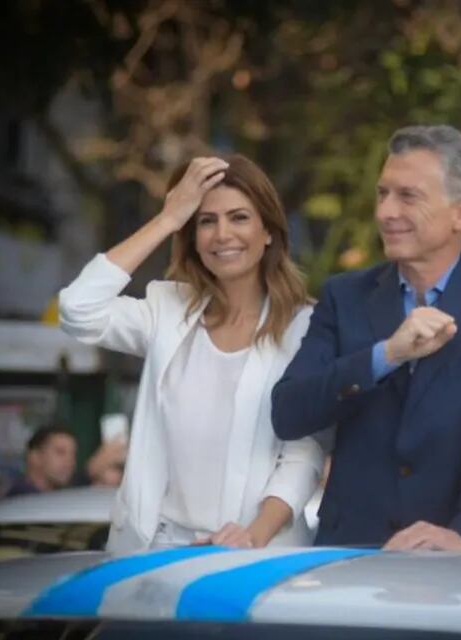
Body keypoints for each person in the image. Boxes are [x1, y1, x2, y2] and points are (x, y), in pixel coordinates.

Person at [272, 125, 461, 554]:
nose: (385, 212)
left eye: (408, 196)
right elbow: (289, 412)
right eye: (382, 194)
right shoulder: (344, 296)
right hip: (351, 555)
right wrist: (386, 355)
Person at [58, 154, 323, 553]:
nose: (221, 234)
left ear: (268, 231)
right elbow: (77, 309)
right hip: (156, 551)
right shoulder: (167, 310)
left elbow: (305, 454)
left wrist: (254, 534)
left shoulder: (305, 327)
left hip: (259, 555)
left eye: (239, 217)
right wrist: (168, 218)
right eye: (205, 220)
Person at [7, 425, 78, 496]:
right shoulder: (22, 500)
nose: (70, 462)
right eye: (60, 452)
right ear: (35, 456)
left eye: (73, 455)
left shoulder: (53, 497)